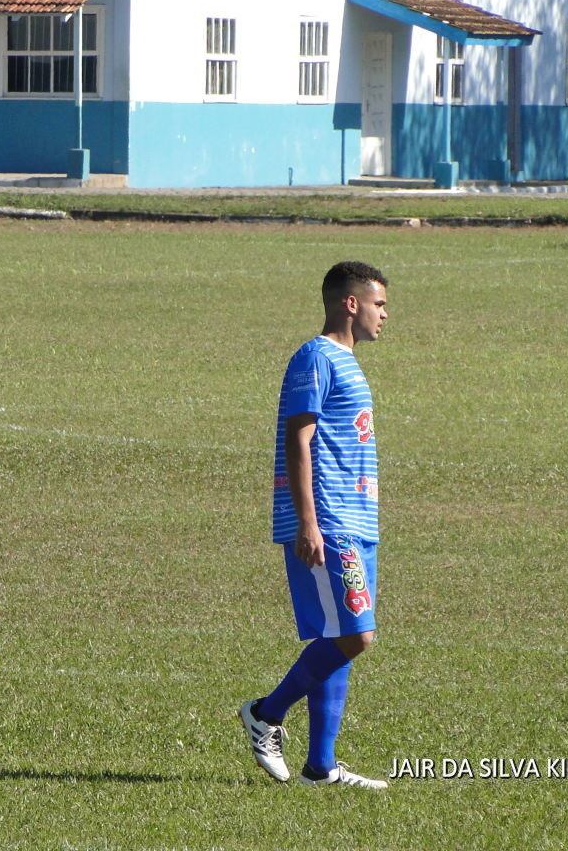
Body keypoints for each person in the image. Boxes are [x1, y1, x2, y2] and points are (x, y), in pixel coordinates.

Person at [239, 261, 390, 788]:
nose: (384, 315)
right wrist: (309, 521)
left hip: (358, 520)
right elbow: (297, 439)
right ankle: (266, 713)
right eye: (378, 304)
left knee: (341, 635)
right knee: (358, 636)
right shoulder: (316, 357)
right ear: (351, 303)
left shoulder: (348, 362)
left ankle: (320, 767)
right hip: (329, 521)